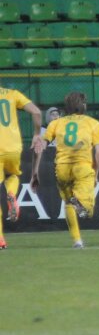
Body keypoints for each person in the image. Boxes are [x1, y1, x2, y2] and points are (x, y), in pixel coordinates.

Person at [31, 91, 99, 248]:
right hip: (83, 167)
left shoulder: (56, 123)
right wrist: (96, 173)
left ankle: (77, 240)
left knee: (68, 203)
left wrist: (35, 172)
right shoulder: (93, 123)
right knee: (88, 210)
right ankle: (80, 203)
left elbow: (40, 147)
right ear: (83, 105)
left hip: (62, 168)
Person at [0, 84, 45, 248]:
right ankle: (11, 193)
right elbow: (36, 112)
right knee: (13, 175)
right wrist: (36, 135)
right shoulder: (12, 93)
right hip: (13, 147)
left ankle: (0, 239)